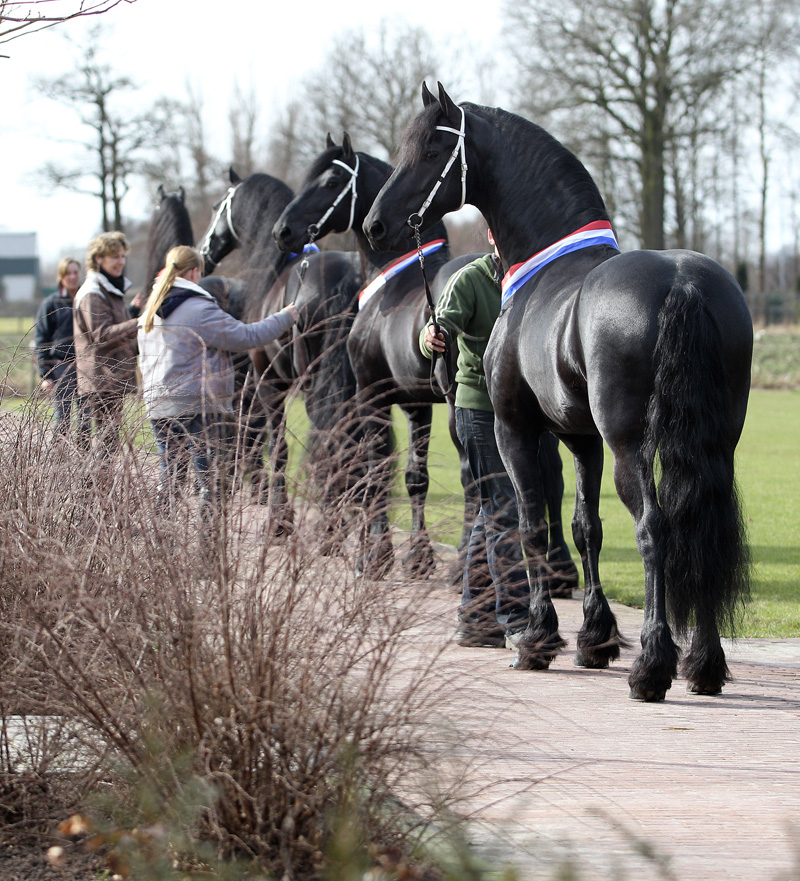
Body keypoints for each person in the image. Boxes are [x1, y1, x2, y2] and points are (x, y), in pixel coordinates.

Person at [420, 230, 529, 648]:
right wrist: (432, 336)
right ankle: (515, 621)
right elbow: (439, 325)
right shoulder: (470, 279)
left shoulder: (529, 276)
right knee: (504, 512)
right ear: (490, 235)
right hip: (479, 409)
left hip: (520, 413)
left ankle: (475, 617)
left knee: (493, 512)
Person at [138, 245, 299, 518]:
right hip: (198, 407)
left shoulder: (150, 310)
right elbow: (247, 337)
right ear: (193, 272)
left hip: (159, 405)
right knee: (210, 484)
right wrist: (285, 317)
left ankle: (159, 542)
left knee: (170, 481)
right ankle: (208, 551)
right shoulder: (199, 309)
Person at [73, 231, 139, 457]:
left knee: (108, 445)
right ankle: (89, 491)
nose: (121, 261)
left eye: (122, 256)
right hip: (100, 380)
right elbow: (102, 334)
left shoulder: (110, 290)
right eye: (114, 256)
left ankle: (93, 489)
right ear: (98, 258)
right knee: (105, 446)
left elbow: (120, 333)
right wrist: (139, 322)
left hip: (111, 378)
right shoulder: (93, 293)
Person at [33, 257, 92, 445]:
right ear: (62, 276)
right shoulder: (52, 303)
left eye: (76, 272)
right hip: (61, 368)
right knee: (63, 420)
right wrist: (45, 375)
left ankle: (83, 468)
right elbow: (42, 339)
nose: (73, 277)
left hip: (85, 368)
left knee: (85, 422)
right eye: (68, 273)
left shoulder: (88, 298)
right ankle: (57, 465)